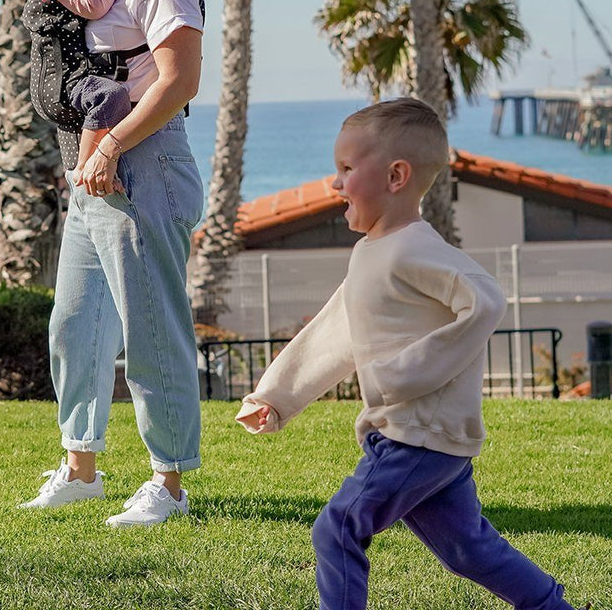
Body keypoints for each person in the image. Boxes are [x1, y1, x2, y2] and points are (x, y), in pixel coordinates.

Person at [236, 99, 587, 610]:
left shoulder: (414, 248)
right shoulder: (372, 252)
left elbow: (485, 298)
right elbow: (336, 330)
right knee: (467, 548)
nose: (335, 183)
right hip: (425, 436)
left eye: (347, 169)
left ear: (396, 176)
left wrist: (404, 374)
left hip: (416, 437)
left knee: (336, 529)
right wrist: (277, 395)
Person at [20, 0, 210, 528]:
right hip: (96, 169)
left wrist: (110, 147)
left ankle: (170, 483)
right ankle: (81, 468)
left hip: (145, 164)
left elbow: (179, 79)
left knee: (153, 331)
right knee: (76, 323)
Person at [25, 0, 131, 173]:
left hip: (68, 84)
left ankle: (79, 180)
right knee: (112, 96)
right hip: (61, 86)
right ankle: (91, 166)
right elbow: (92, 5)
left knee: (73, 152)